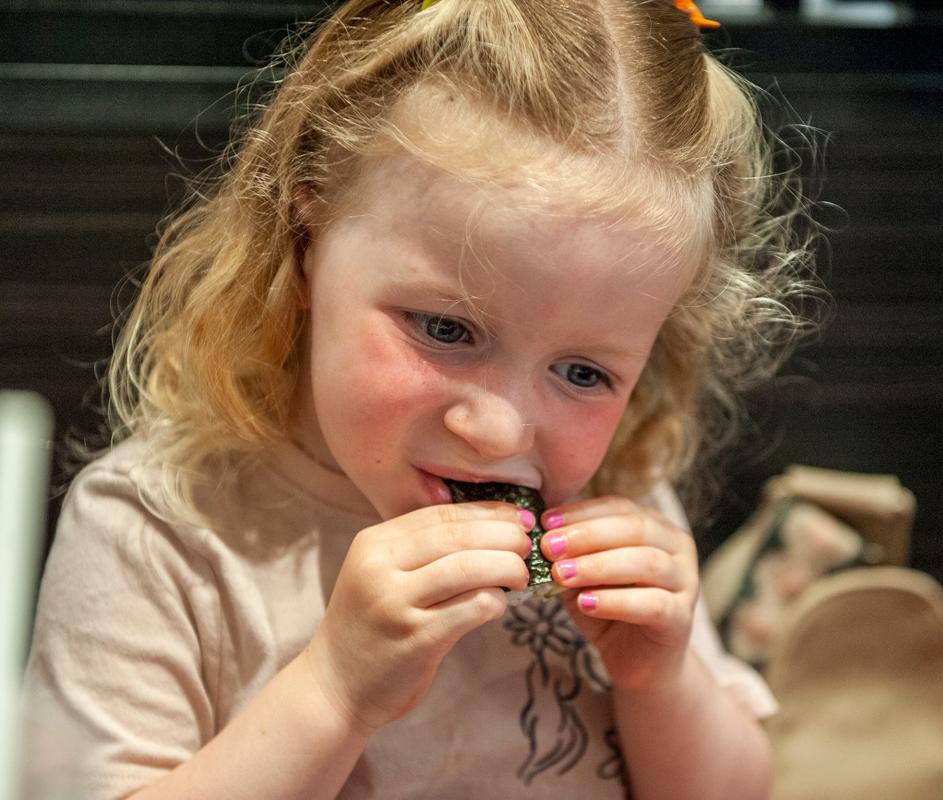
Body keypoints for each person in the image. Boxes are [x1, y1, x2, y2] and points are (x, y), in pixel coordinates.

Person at [22, 0, 819, 797]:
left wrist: (663, 683)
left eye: (584, 375)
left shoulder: (619, 495)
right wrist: (333, 691)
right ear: (305, 243)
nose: (498, 431)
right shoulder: (155, 529)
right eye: (444, 327)